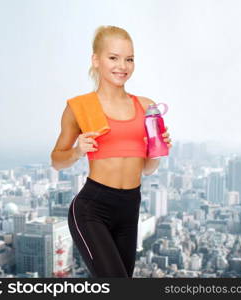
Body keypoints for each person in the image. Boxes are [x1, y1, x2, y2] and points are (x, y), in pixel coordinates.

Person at [50, 25, 172, 278]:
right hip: (92, 208)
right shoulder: (80, 107)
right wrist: (77, 151)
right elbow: (57, 161)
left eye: (129, 59)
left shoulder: (146, 107)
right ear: (96, 60)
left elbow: (148, 169)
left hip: (130, 209)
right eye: (113, 58)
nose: (122, 66)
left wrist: (157, 148)